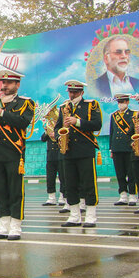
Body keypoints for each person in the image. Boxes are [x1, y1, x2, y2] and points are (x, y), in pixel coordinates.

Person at [0, 70, 35, 240]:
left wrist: (0, 113)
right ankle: (3, 225)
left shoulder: (25, 103)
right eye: (3, 83)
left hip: (14, 152)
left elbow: (22, 122)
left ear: (17, 84)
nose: (4, 86)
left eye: (8, 83)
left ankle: (15, 226)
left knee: (15, 190)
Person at [54, 80, 103, 228]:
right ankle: (74, 215)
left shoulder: (91, 105)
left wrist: (77, 121)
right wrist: (59, 137)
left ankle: (90, 215)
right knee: (70, 184)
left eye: (75, 92)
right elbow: (57, 128)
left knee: (88, 183)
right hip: (67, 150)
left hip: (84, 150)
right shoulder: (63, 107)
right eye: (70, 92)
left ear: (82, 92)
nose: (72, 94)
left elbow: (97, 124)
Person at [109, 94, 138, 206]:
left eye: (123, 101)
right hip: (117, 148)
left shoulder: (134, 114)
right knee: (120, 173)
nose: (121, 104)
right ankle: (123, 195)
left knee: (131, 172)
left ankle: (132, 195)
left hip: (129, 147)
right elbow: (112, 132)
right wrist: (111, 149)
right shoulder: (114, 115)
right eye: (119, 102)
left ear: (127, 102)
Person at [41, 121, 66, 207]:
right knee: (50, 177)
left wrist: (55, 134)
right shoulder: (49, 129)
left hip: (60, 155)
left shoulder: (60, 129)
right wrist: (46, 132)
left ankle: (62, 197)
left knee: (63, 177)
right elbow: (43, 139)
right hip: (50, 157)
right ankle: (51, 198)